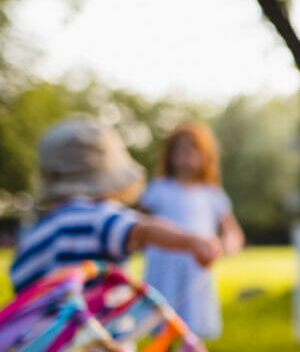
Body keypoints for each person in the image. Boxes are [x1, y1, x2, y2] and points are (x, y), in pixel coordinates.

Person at [8, 117, 220, 293]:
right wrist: (193, 241)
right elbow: (143, 231)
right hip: (97, 337)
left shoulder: (35, 233)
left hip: (49, 342)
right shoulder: (95, 216)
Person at [140, 121, 244, 340]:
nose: (185, 153)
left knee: (193, 332)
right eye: (179, 147)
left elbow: (232, 233)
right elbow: (138, 224)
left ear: (206, 155)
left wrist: (223, 247)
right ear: (169, 153)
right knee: (161, 326)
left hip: (196, 269)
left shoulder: (212, 193)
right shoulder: (158, 189)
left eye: (192, 147)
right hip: (163, 266)